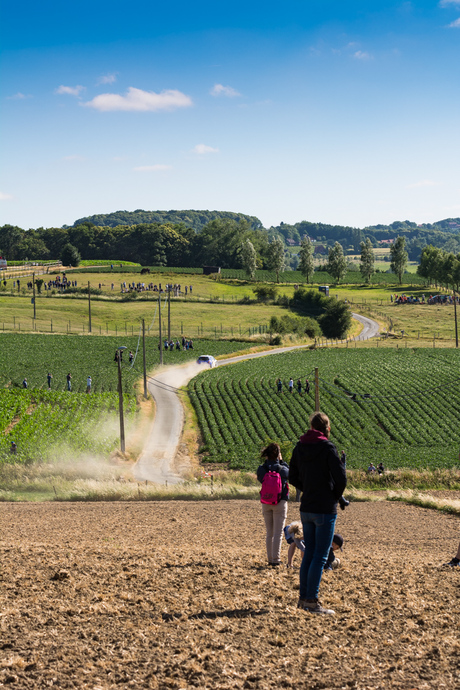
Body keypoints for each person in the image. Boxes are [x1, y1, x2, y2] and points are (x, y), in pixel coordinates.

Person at [289, 411, 347, 615]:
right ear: (327, 428)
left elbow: (292, 475)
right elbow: (341, 478)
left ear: (312, 427)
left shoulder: (300, 446)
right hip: (324, 509)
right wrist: (334, 496)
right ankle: (311, 601)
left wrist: (307, 487)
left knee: (309, 555)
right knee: (320, 556)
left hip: (307, 507)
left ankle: (303, 598)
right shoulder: (328, 447)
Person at [257, 443, 289, 567]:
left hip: (266, 502)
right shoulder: (283, 469)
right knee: (277, 533)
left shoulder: (262, 469)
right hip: (280, 502)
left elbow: (261, 479)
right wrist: (282, 461)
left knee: (269, 532)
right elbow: (289, 474)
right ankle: (275, 560)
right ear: (278, 454)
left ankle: (270, 558)